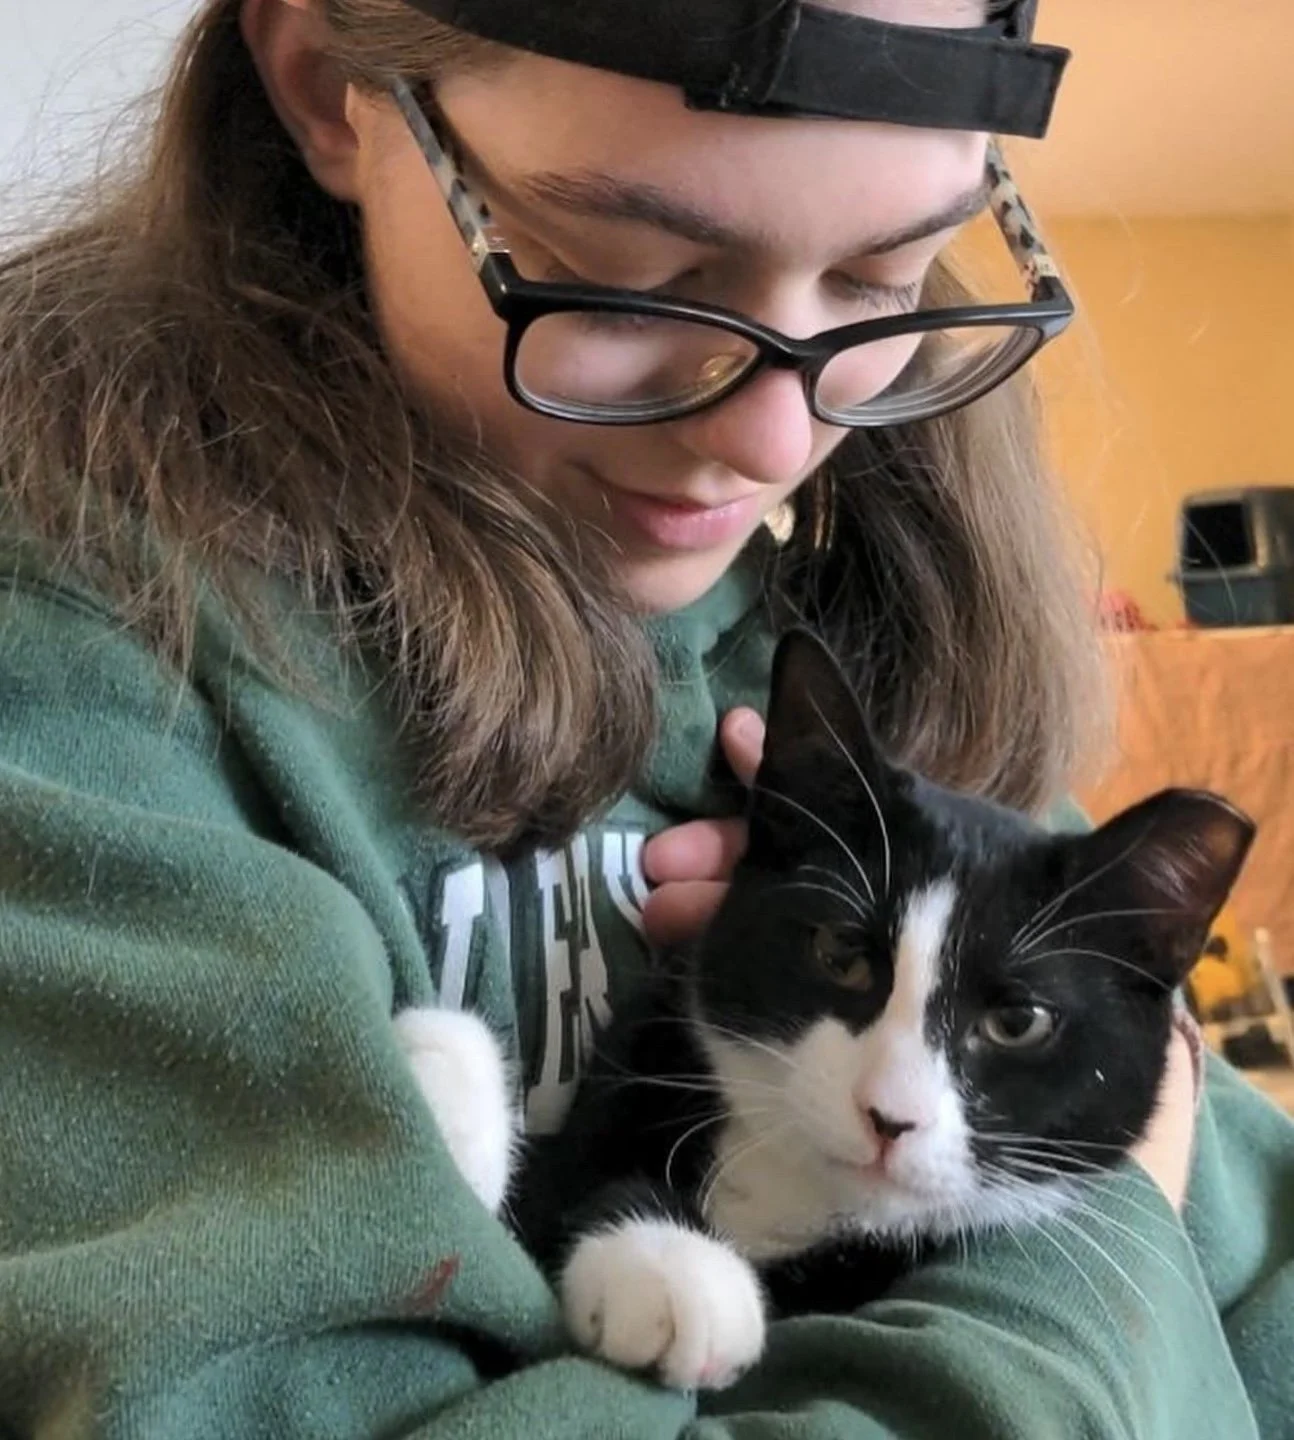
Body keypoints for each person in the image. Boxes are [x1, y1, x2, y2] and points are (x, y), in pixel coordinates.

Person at [0, 0, 1289, 1435]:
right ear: (324, 84)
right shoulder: (77, 681)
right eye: (623, 277)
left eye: (878, 279)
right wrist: (1090, 1252)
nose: (776, 440)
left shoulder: (858, 670)